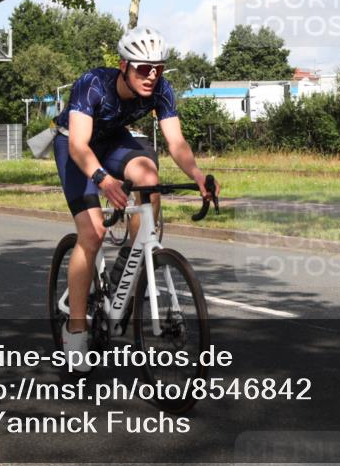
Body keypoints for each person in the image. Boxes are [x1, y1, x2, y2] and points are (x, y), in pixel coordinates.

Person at [52, 26, 219, 371]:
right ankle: (77, 327)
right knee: (92, 233)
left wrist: (199, 176)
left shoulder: (161, 90)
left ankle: (131, 257)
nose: (151, 75)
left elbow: (176, 143)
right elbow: (79, 145)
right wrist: (102, 179)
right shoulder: (93, 84)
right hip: (75, 146)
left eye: (158, 68)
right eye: (143, 68)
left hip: (113, 141)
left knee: (148, 176)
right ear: (123, 65)